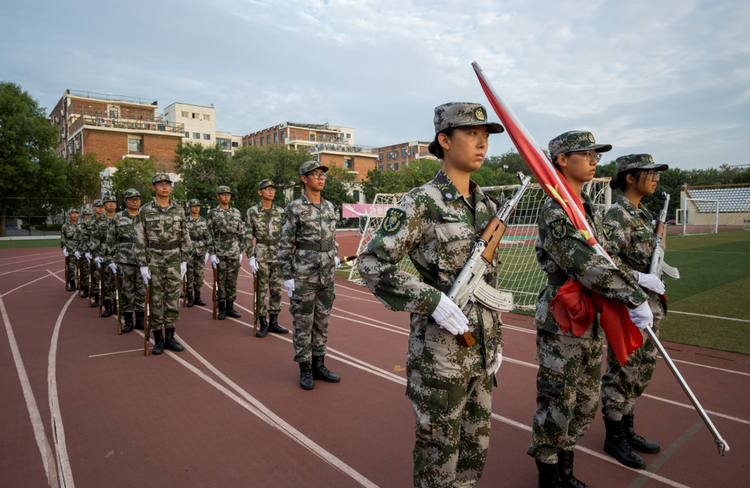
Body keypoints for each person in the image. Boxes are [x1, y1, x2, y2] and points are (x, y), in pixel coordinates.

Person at [357, 102, 505, 487]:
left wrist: (496, 339)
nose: (481, 143)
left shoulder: (487, 205)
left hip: (483, 352)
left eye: (485, 136)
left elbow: (489, 279)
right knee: (438, 460)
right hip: (440, 357)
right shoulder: (421, 202)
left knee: (474, 458)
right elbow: (372, 262)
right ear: (444, 140)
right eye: (471, 134)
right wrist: (431, 300)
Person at [528, 131, 653, 488]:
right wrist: (633, 294)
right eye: (585, 153)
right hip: (562, 318)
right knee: (557, 403)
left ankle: (566, 471)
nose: (594, 158)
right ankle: (551, 478)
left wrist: (638, 281)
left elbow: (609, 259)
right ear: (562, 160)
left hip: (589, 316)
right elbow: (584, 263)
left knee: (583, 403)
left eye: (596, 153)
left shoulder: (590, 210)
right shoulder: (556, 209)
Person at [599, 154, 668, 469]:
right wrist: (640, 278)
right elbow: (608, 263)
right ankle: (614, 436)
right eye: (649, 172)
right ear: (629, 177)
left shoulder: (642, 213)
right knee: (623, 371)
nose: (655, 177)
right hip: (628, 306)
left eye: (656, 173)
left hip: (649, 307)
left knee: (642, 371)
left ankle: (628, 429)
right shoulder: (617, 215)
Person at [278, 161, 342, 390]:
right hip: (304, 275)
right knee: (303, 321)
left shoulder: (330, 206)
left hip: (327, 274)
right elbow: (285, 244)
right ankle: (304, 368)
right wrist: (287, 276)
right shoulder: (294, 207)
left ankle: (319, 364)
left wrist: (333, 255)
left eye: (323, 174)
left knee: (322, 322)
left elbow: (332, 238)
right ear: (304, 178)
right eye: (315, 174)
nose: (321, 178)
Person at [136, 174, 189, 355]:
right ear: (153, 187)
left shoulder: (179, 210)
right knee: (156, 300)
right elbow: (140, 238)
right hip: (155, 261)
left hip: (174, 260)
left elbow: (185, 235)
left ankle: (170, 337)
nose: (165, 187)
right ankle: (158, 338)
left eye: (168, 184)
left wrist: (185, 260)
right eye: (160, 184)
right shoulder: (145, 211)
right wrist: (143, 264)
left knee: (173, 300)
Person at [245, 179, 289, 337]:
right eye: (267, 189)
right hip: (261, 254)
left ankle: (274, 322)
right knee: (261, 290)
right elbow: (248, 234)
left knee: (277, 290)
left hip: (277, 254)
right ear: (260, 192)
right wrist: (250, 256)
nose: (271, 191)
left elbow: (286, 234)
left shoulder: (280, 211)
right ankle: (262, 322)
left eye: (273, 189)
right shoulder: (252, 212)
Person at [105, 189, 147, 333]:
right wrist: (110, 259)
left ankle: (140, 319)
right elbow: (110, 240)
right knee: (126, 291)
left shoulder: (145, 217)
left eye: (137, 199)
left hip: (142, 261)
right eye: (131, 199)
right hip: (124, 260)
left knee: (141, 291)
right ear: (125, 201)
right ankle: (128, 320)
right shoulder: (117, 218)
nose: (135, 201)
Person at [207, 186, 244, 320]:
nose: (226, 196)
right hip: (219, 250)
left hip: (234, 249)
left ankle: (230, 307)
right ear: (218, 196)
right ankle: (221, 307)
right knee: (220, 280)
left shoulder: (236, 212)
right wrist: (212, 253)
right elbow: (209, 234)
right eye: (223, 194)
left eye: (228, 194)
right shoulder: (213, 213)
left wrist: (241, 250)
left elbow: (240, 233)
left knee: (232, 280)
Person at [92, 195, 118, 317]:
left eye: (113, 202)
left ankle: (119, 305)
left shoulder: (121, 219)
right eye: (108, 203)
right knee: (107, 282)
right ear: (104, 205)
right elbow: (95, 239)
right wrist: (96, 255)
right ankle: (108, 306)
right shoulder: (98, 221)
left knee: (120, 282)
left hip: (120, 254)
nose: (111, 204)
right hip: (104, 253)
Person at [185, 199, 209, 307]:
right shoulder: (185, 221)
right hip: (189, 251)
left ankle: (197, 297)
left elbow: (207, 236)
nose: (196, 208)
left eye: (198, 206)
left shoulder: (204, 221)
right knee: (189, 275)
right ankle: (189, 297)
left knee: (199, 274)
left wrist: (208, 251)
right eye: (194, 206)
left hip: (201, 251)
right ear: (189, 208)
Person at [88, 199, 105, 308]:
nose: (100, 208)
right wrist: (87, 251)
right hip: (94, 249)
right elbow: (85, 236)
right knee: (95, 274)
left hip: (107, 249)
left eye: (102, 206)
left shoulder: (109, 219)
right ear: (93, 207)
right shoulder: (89, 220)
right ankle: (97, 296)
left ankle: (109, 298)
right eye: (98, 206)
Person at [61, 208, 80, 291]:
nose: (75, 215)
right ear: (69, 215)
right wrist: (64, 248)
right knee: (71, 268)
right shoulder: (65, 226)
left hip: (80, 250)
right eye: (73, 213)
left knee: (81, 268)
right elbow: (63, 238)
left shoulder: (81, 225)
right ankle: (72, 284)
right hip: (70, 250)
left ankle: (81, 284)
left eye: (76, 213)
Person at [77, 204, 94, 298]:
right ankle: (86, 288)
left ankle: (93, 290)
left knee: (93, 272)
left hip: (93, 250)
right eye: (86, 215)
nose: (88, 216)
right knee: (85, 271)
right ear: (83, 216)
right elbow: (77, 239)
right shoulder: (80, 226)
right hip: (83, 250)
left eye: (90, 214)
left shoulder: (95, 223)